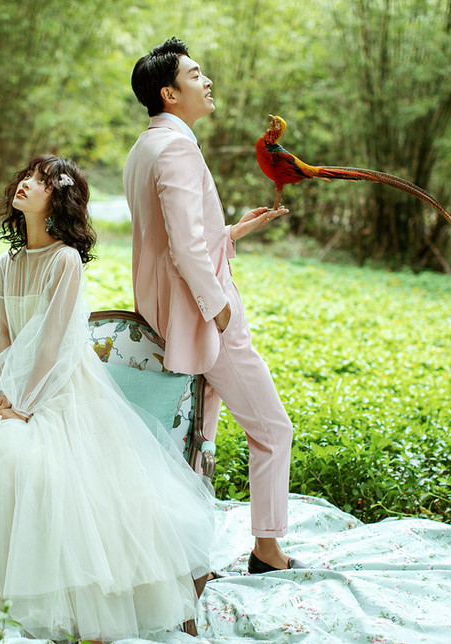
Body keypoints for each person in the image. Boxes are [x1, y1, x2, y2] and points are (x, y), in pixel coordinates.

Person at [0, 155, 215, 643]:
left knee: (6, 447)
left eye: (41, 182)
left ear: (58, 201)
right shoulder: (8, 262)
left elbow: (53, 347)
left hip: (60, 389)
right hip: (13, 382)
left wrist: (21, 407)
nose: (26, 184)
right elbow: (4, 337)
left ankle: (3, 582)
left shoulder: (64, 261)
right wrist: (2, 392)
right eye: (26, 176)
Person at [123, 38, 302, 573]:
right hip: (203, 317)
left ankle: (182, 552)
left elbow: (170, 239)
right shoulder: (177, 149)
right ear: (169, 93)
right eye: (195, 74)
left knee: (195, 437)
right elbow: (182, 247)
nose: (207, 81)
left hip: (166, 314)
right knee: (272, 429)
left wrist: (232, 231)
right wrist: (218, 309)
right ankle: (267, 549)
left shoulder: (145, 147)